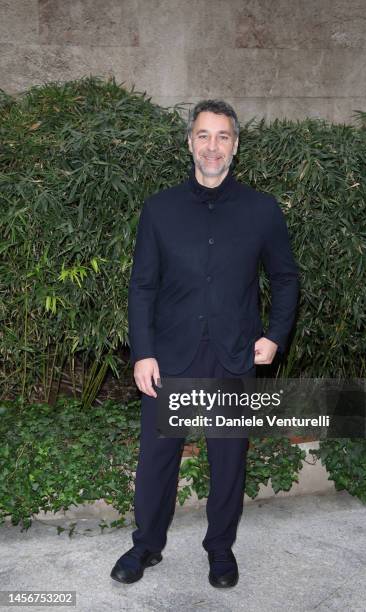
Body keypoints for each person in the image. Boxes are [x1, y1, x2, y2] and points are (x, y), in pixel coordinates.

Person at [110, 99, 299, 588]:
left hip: (234, 356)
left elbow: (285, 278)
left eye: (222, 136)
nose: (212, 146)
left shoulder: (262, 211)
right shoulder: (160, 209)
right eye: (203, 135)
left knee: (228, 460)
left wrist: (274, 336)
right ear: (189, 142)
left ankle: (220, 550)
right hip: (169, 357)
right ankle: (145, 546)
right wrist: (142, 351)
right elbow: (143, 286)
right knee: (156, 460)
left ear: (235, 145)